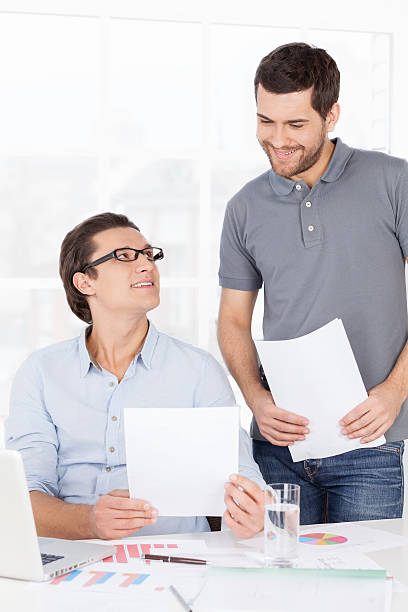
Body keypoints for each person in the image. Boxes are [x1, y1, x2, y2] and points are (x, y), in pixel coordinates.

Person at [217, 42, 408, 524]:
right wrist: (257, 402)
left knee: (361, 594)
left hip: (368, 446)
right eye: (266, 121)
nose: (278, 139)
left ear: (332, 114)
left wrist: (394, 392)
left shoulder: (393, 182)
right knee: (278, 592)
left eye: (296, 124)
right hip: (278, 448)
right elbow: (233, 321)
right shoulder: (244, 207)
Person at [6, 212, 265, 540]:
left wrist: (254, 509)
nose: (146, 265)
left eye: (148, 254)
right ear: (85, 282)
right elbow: (23, 496)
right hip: (72, 560)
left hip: (177, 559)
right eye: (124, 256)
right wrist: (90, 522)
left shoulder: (199, 371)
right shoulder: (40, 373)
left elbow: (240, 473)